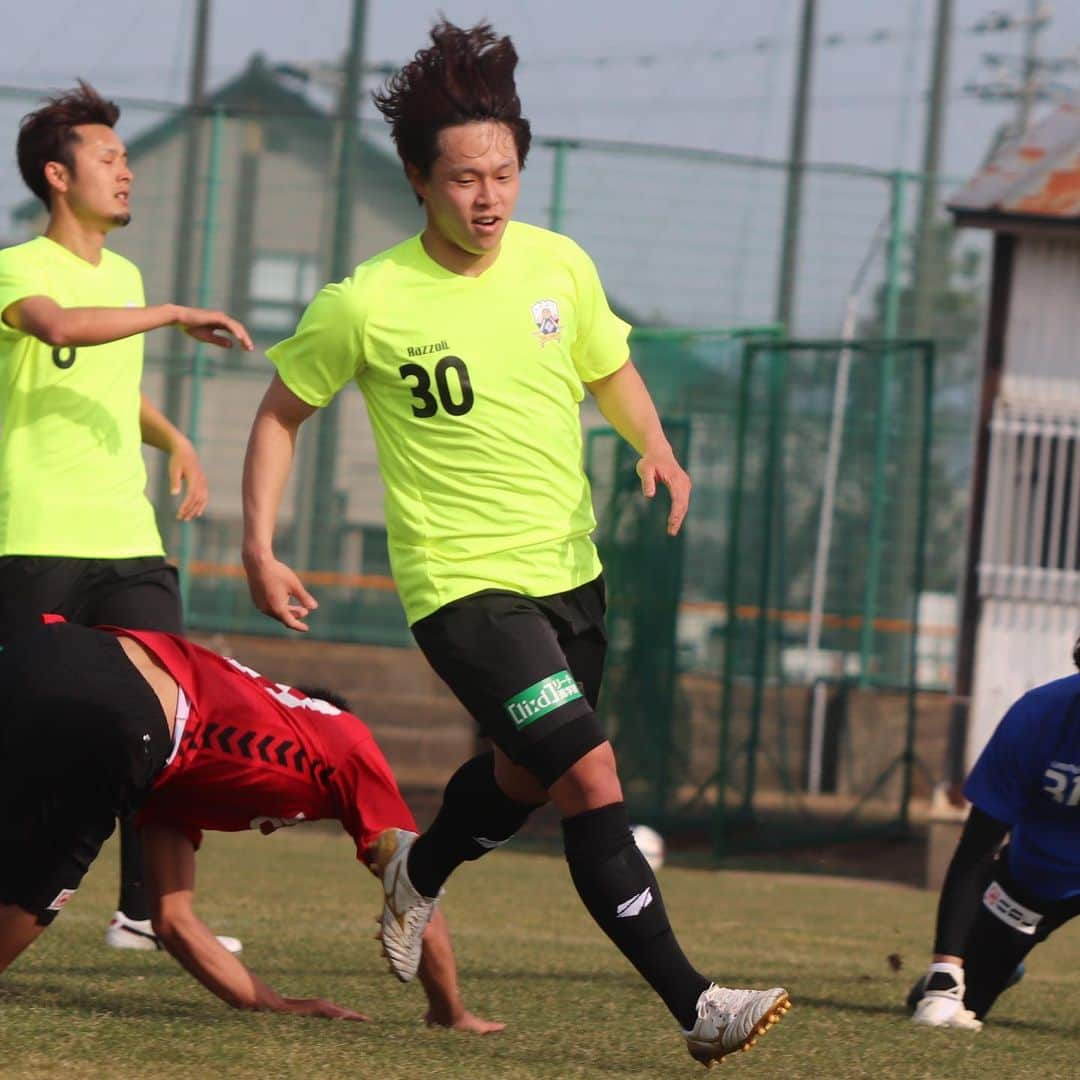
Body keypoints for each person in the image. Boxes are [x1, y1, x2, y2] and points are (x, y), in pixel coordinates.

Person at [241, 20, 789, 1066]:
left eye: (503, 174)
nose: (487, 198)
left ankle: (418, 869)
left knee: (524, 782)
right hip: (462, 590)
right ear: (416, 178)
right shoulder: (368, 300)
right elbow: (279, 414)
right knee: (589, 776)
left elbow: (608, 369)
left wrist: (656, 446)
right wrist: (261, 548)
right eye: (463, 179)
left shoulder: (558, 265)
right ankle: (697, 1006)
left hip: (570, 575)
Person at [0, 81, 252, 951]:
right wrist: (177, 313)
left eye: (126, 157)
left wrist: (174, 437)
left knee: (173, 713)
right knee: (26, 734)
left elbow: (110, 382)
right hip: (33, 542)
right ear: (57, 176)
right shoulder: (17, 267)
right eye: (109, 158)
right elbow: (62, 327)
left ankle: (147, 912)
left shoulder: (128, 278)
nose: (127, 172)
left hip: (128, 544)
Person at [0, 617, 502, 1033]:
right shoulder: (349, 741)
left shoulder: (189, 773)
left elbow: (175, 923)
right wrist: (449, 1011)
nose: (269, 828)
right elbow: (414, 887)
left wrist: (272, 1002)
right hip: (122, 712)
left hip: (50, 644)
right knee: (36, 887)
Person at [909, 638, 1080, 1030]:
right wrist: (944, 973)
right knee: (956, 1003)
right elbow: (977, 849)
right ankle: (992, 964)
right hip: (1038, 877)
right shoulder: (1038, 716)